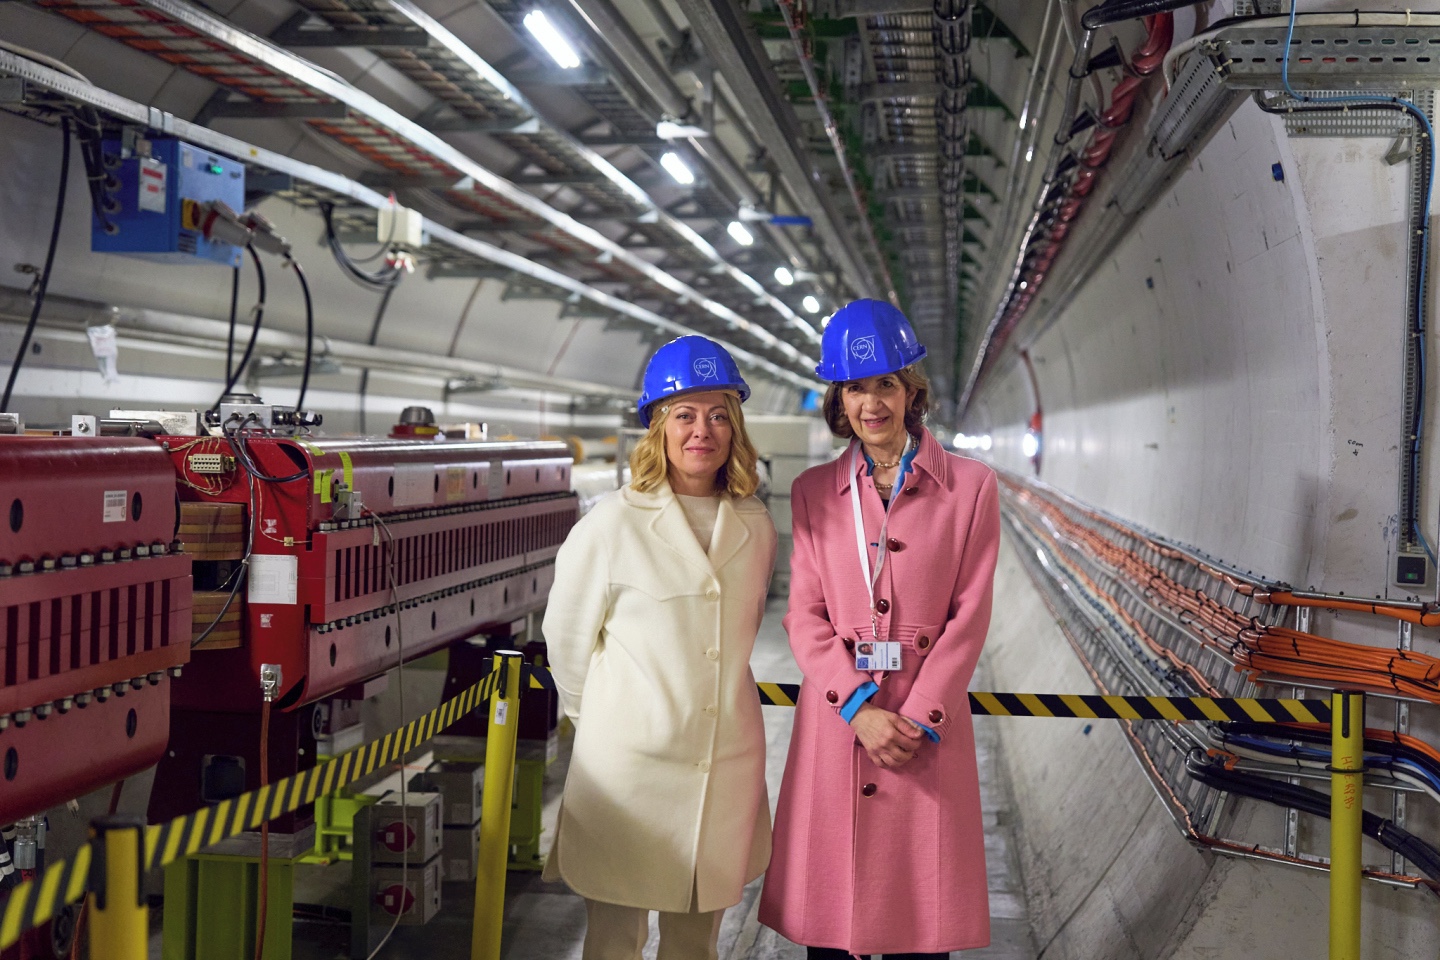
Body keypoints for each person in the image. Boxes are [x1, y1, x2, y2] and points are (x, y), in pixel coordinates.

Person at [758, 299, 1001, 959]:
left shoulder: (972, 489)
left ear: (911, 391)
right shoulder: (813, 492)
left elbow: (969, 614)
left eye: (886, 384)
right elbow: (803, 617)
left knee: (918, 931)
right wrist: (859, 707)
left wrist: (919, 714)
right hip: (841, 724)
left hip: (924, 731)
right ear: (838, 399)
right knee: (832, 935)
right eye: (856, 387)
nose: (872, 402)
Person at [543, 335, 777, 960]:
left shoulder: (754, 524)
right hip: (629, 772)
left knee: (697, 943)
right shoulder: (610, 525)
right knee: (617, 938)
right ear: (657, 426)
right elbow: (565, 644)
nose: (703, 430)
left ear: (736, 429)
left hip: (724, 765)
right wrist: (608, 725)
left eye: (719, 415)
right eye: (685, 415)